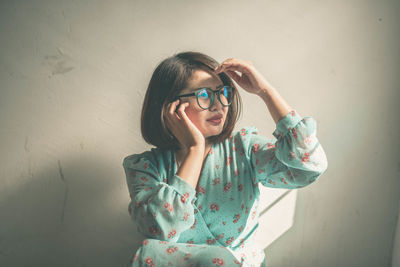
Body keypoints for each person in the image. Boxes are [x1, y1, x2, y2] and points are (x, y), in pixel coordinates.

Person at [122, 51, 328, 266]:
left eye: (223, 92)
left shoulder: (244, 149)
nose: (218, 104)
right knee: (150, 251)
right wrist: (195, 149)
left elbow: (309, 167)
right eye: (203, 94)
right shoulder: (144, 168)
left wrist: (265, 91)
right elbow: (159, 229)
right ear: (171, 106)